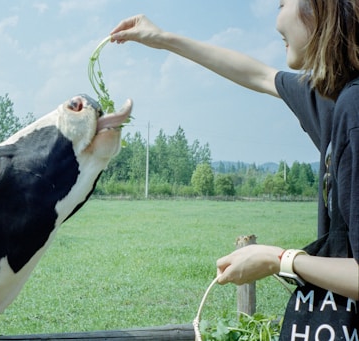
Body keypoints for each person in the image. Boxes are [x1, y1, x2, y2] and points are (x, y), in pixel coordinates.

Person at [110, 1, 358, 339]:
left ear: (321, 8)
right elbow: (258, 74)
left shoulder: (354, 107)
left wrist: (280, 260)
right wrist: (163, 38)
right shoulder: (335, 100)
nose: (276, 19)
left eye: (283, 3)